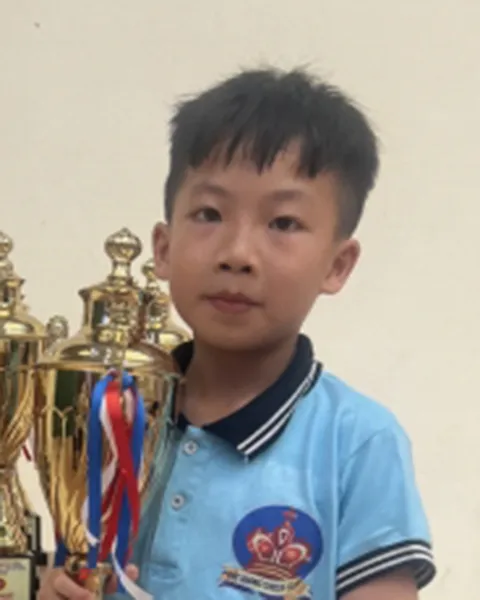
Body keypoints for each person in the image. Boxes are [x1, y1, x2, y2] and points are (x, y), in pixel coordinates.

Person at [38, 67, 436, 599]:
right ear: (163, 249)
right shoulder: (115, 411)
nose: (237, 253)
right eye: (209, 214)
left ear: (337, 265)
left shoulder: (359, 442)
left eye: (283, 223)